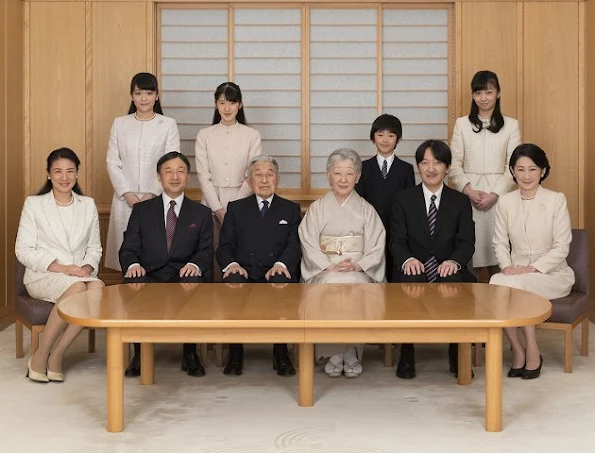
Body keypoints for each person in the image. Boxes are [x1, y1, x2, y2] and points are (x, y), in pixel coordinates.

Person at [119, 152, 213, 377]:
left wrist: (194, 264)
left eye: (180, 171)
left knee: (192, 280)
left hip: (183, 272)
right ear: (159, 177)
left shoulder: (201, 213)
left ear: (188, 177)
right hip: (149, 271)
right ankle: (139, 354)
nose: (174, 176)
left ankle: (190, 353)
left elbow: (207, 250)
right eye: (168, 171)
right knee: (134, 280)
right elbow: (128, 247)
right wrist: (133, 265)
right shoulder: (141, 210)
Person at [16, 148, 104, 383]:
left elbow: (94, 248)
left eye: (70, 171)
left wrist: (86, 268)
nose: (64, 177)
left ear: (77, 174)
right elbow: (23, 250)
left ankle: (56, 353)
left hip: (78, 275)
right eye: (58, 172)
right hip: (43, 275)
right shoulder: (34, 204)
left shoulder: (88, 205)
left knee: (97, 288)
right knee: (78, 289)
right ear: (49, 175)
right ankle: (41, 355)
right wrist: (60, 268)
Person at [390, 139, 476, 379]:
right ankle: (406, 354)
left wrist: (454, 261)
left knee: (456, 279)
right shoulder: (403, 199)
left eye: (437, 163)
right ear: (418, 167)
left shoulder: (460, 201)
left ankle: (456, 352)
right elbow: (396, 241)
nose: (431, 168)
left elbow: (466, 242)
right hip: (413, 265)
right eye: (425, 163)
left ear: (447, 167)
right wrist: (407, 260)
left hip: (448, 266)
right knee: (410, 279)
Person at [299, 148, 386, 378]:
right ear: (329, 176)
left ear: (358, 176)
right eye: (338, 173)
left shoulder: (366, 210)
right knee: (329, 282)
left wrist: (359, 265)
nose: (343, 179)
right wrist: (326, 265)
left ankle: (351, 352)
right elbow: (307, 241)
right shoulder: (317, 209)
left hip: (357, 267)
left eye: (349, 173)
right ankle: (334, 352)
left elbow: (377, 244)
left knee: (356, 284)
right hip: (326, 268)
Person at [490, 144, 574, 380]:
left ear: (543, 171)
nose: (526, 176)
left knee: (512, 287)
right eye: (520, 169)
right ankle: (519, 350)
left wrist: (533, 268)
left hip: (552, 275)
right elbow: (499, 243)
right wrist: (507, 266)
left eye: (533, 169)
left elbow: (562, 246)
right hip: (514, 274)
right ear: (512, 171)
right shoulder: (505, 202)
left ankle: (532, 351)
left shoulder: (556, 200)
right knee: (497, 282)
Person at [217, 155, 301, 376]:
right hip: (244, 269)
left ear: (278, 179)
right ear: (249, 181)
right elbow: (224, 245)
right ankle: (235, 352)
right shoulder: (235, 208)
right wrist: (233, 264)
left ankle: (281, 352)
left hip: (274, 269)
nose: (264, 180)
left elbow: (295, 245)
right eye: (258, 175)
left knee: (282, 281)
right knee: (233, 280)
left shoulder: (290, 209)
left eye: (269, 174)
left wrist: (281, 263)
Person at [105, 72, 180, 271]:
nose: (144, 98)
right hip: (125, 199)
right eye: (138, 93)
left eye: (149, 93)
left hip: (156, 197)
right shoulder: (120, 123)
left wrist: (151, 193)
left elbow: (171, 163)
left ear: (156, 95)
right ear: (131, 96)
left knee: (154, 254)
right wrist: (127, 193)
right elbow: (112, 162)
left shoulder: (168, 124)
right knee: (126, 257)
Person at [449, 70, 521, 276]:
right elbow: (454, 164)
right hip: (468, 196)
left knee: (500, 253)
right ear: (472, 95)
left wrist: (494, 194)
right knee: (472, 253)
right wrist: (469, 191)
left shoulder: (511, 125)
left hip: (500, 196)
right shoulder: (462, 124)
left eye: (488, 92)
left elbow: (513, 166)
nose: (483, 98)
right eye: (478, 93)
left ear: (498, 94)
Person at [195, 82, 262, 279]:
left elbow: (253, 173)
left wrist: (232, 208)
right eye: (222, 102)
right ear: (216, 104)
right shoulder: (204, 135)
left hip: (243, 200)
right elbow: (202, 175)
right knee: (210, 250)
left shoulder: (252, 135)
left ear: (239, 105)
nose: (227, 108)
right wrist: (218, 208)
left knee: (240, 250)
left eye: (232, 103)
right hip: (210, 200)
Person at [356, 114, 415, 281]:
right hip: (369, 231)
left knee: (395, 275)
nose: (385, 140)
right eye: (380, 135)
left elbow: (410, 204)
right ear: (373, 138)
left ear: (399, 139)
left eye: (391, 135)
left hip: (398, 232)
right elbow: (358, 201)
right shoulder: (363, 167)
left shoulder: (406, 169)